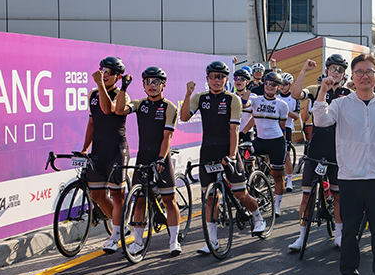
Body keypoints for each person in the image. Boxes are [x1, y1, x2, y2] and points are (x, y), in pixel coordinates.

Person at [313, 54, 375, 275]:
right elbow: (320, 120)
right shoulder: (341, 104)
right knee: (350, 231)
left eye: (369, 72)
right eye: (360, 72)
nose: (365, 76)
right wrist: (323, 91)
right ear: (352, 77)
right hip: (350, 178)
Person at [180, 60, 265, 254]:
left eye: (220, 77)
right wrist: (187, 94)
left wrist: (232, 156)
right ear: (207, 79)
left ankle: (258, 217)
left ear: (226, 79)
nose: (216, 81)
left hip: (228, 150)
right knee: (210, 199)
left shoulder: (232, 98)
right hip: (208, 151)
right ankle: (212, 241)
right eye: (213, 77)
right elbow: (184, 117)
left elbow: (234, 129)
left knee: (240, 194)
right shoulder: (201, 97)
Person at [114, 66, 182, 256]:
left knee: (169, 200)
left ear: (163, 85)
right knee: (139, 200)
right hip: (143, 157)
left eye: (156, 82)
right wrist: (123, 88)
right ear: (143, 85)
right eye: (148, 82)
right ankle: (137, 242)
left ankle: (174, 241)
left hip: (161, 156)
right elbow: (119, 110)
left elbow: (167, 136)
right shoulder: (139, 104)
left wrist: (161, 158)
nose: (152, 86)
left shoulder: (170, 107)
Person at [287, 56, 350, 252]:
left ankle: (339, 235)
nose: (336, 72)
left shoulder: (347, 93)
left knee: (339, 196)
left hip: (337, 152)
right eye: (332, 68)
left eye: (340, 69)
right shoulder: (316, 89)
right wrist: (304, 70)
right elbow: (296, 94)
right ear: (327, 70)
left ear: (343, 74)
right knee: (306, 196)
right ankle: (301, 237)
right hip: (315, 149)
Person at [82, 56, 130, 254]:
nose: (105, 75)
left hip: (117, 150)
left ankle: (115, 235)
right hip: (99, 150)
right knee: (97, 195)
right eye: (103, 70)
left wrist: (101, 84)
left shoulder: (122, 95)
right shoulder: (93, 93)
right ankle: (121, 225)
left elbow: (107, 109)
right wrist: (85, 148)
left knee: (117, 195)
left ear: (118, 77)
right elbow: (92, 123)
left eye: (109, 72)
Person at [240, 70, 290, 217]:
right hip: (260, 140)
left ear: (278, 87)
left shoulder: (282, 105)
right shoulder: (256, 100)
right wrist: (249, 88)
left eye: (274, 85)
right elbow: (243, 103)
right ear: (264, 84)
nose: (270, 87)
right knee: (244, 156)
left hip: (276, 142)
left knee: (277, 175)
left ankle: (277, 205)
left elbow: (282, 126)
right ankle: (253, 182)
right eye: (268, 83)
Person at [277, 73, 301, 191]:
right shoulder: (275, 96)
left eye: (285, 84)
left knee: (286, 155)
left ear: (290, 85)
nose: (282, 86)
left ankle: (290, 180)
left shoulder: (294, 97)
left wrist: (286, 111)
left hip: (287, 127)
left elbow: (296, 116)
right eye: (281, 84)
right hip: (274, 126)